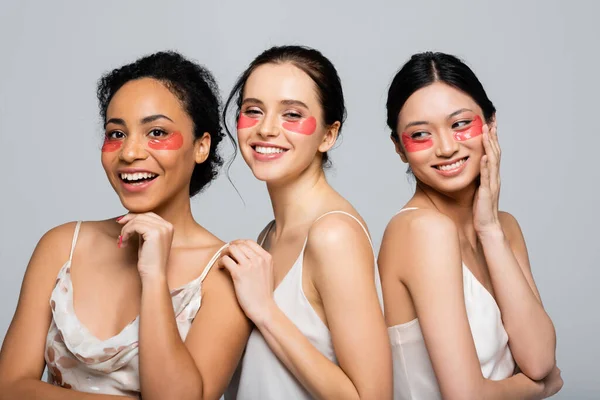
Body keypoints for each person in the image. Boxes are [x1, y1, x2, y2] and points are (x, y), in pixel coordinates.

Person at [0, 51, 251, 399]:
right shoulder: (62, 246)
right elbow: (9, 388)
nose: (129, 152)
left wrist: (154, 276)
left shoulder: (225, 274)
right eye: (116, 133)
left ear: (201, 146)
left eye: (157, 132)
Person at [379, 51, 563, 399]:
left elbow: (538, 359)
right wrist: (536, 388)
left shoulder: (503, 227)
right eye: (420, 134)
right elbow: (466, 395)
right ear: (399, 148)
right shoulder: (420, 231)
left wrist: (490, 230)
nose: (446, 148)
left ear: (490, 125)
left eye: (461, 124)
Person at [222, 45, 392, 400]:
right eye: (253, 111)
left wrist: (266, 313)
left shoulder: (334, 235)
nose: (266, 129)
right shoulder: (268, 236)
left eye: (292, 115)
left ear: (328, 136)